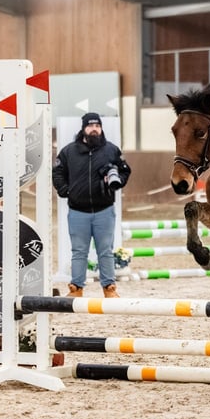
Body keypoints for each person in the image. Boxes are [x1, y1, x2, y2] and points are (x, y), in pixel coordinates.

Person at [52, 112, 131, 298]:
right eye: (90, 126)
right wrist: (66, 190)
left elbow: (125, 170)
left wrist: (116, 180)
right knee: (79, 251)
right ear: (83, 128)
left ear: (101, 128)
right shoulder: (68, 151)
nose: (94, 129)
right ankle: (76, 288)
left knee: (106, 251)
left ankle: (109, 288)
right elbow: (57, 173)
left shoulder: (111, 150)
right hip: (78, 211)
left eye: (97, 126)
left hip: (104, 210)